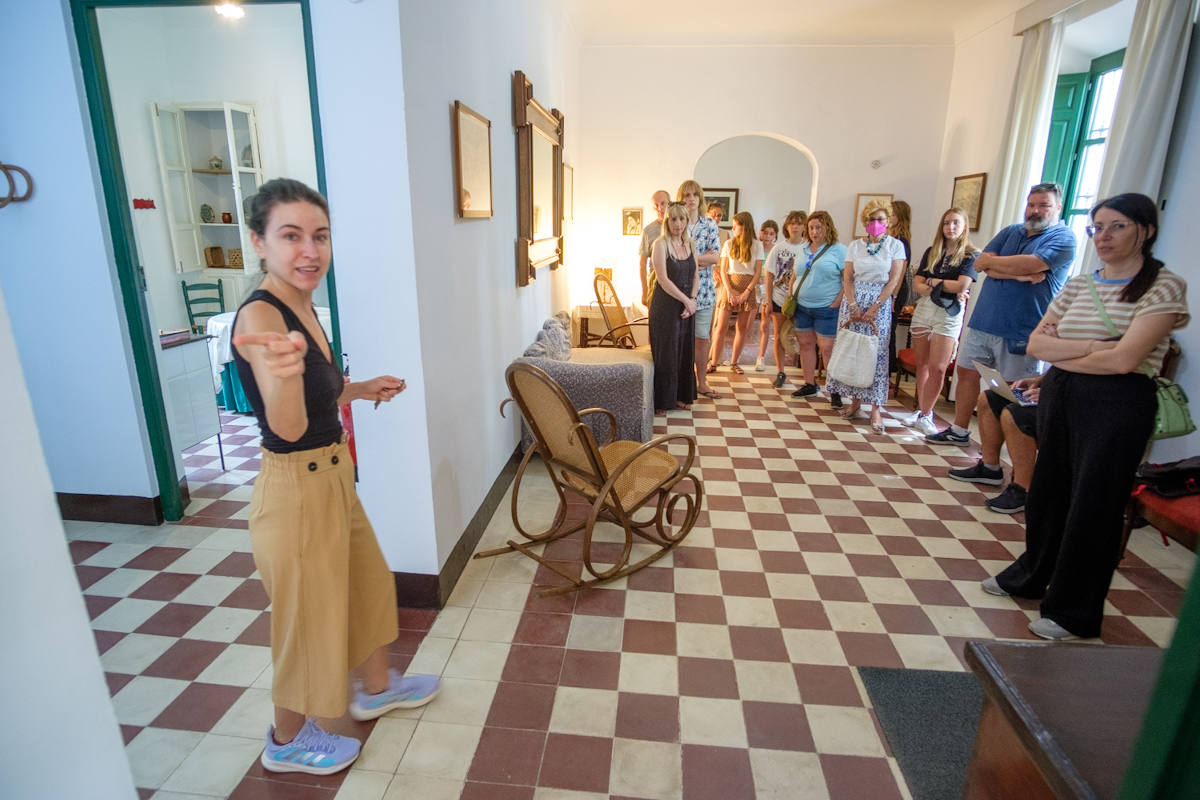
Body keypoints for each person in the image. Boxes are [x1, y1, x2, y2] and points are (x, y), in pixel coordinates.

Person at [231, 179, 441, 775]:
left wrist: (358, 387)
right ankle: (285, 741)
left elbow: (320, 393)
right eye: (290, 236)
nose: (309, 250)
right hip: (295, 489)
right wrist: (286, 371)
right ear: (259, 243)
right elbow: (290, 426)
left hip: (331, 480)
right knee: (306, 623)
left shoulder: (302, 301)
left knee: (370, 583)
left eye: (319, 236)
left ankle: (373, 690)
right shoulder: (263, 318)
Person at [984, 193, 1188, 641]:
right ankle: (1032, 575)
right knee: (1048, 493)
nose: (1104, 237)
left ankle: (1074, 612)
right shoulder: (1079, 285)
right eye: (1097, 228)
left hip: (1117, 404)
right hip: (1062, 394)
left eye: (1117, 226)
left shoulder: (1164, 287)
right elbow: (1038, 345)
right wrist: (1097, 347)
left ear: (1146, 231)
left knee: (1093, 505)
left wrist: (1080, 352)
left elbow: (1126, 361)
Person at [927, 183, 1076, 445]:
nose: (1036, 210)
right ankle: (960, 430)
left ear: (1058, 208)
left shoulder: (1063, 238)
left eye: (1044, 205)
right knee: (967, 373)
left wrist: (1003, 265)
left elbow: (1035, 263)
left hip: (1022, 327)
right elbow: (980, 262)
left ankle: (1005, 446)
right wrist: (1020, 273)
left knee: (1012, 389)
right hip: (985, 320)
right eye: (1032, 204)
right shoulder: (1011, 232)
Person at [825, 199, 906, 433]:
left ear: (888, 221)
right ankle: (854, 402)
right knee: (852, 350)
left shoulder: (895, 246)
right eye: (871, 219)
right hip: (854, 301)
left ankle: (876, 408)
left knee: (875, 353)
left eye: (880, 219)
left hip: (879, 302)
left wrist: (876, 306)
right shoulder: (855, 246)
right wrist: (851, 304)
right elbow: (847, 277)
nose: (876, 223)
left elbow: (894, 280)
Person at [900, 207, 979, 435]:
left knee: (938, 366)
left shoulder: (970, 255)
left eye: (955, 223)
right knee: (922, 364)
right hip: (925, 310)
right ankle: (921, 410)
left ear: (964, 226)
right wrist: (945, 285)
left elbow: (963, 285)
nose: (950, 227)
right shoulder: (932, 251)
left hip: (949, 313)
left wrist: (933, 282)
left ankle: (927, 413)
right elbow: (917, 285)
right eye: (946, 223)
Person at [948, 378, 1041, 514]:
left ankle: (1022, 489)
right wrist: (1037, 380)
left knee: (1015, 414)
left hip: (1070, 403)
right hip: (1048, 393)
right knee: (989, 397)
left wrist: (1048, 392)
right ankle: (989, 468)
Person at [788, 210, 847, 404]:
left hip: (826, 308)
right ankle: (809, 383)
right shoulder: (803, 249)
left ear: (827, 228)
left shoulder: (838, 250)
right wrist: (791, 293)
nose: (814, 232)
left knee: (827, 348)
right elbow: (795, 274)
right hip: (802, 307)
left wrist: (837, 302)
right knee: (805, 345)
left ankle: (834, 389)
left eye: (818, 228)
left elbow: (847, 280)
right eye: (811, 228)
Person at [648, 201, 699, 412]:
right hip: (666, 308)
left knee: (685, 351)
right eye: (673, 219)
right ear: (667, 221)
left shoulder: (690, 244)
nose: (678, 224)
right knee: (666, 353)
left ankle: (680, 395)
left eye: (682, 219)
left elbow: (695, 274)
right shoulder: (660, 244)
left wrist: (693, 300)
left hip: (688, 308)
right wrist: (686, 300)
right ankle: (662, 400)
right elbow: (663, 280)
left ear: (687, 221)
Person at [678, 180, 722, 398]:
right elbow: (671, 257)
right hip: (678, 291)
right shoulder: (676, 224)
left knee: (701, 338)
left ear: (700, 198)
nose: (691, 199)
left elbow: (715, 257)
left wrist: (690, 259)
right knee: (680, 339)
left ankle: (702, 381)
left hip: (704, 291)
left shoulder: (709, 225)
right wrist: (699, 260)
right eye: (687, 195)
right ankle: (681, 383)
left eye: (695, 194)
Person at [710, 211, 764, 373]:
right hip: (729, 286)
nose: (733, 229)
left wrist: (746, 292)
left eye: (735, 226)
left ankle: (734, 363)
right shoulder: (728, 244)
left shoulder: (757, 245)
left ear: (744, 226)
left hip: (748, 287)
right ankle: (713, 363)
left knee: (742, 328)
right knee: (721, 326)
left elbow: (757, 272)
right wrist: (730, 291)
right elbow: (724, 270)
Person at [764, 210, 808, 389]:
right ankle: (781, 371)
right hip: (779, 297)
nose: (795, 226)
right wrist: (768, 300)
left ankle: (808, 378)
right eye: (792, 223)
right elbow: (769, 274)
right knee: (779, 335)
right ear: (787, 227)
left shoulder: (808, 248)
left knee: (804, 338)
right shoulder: (779, 248)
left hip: (802, 299)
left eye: (799, 223)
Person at [887, 200, 914, 372]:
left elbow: (900, 273)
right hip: (887, 288)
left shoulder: (902, 242)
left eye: (892, 214)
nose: (889, 217)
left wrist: (893, 297)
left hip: (895, 290)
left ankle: (888, 369)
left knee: (889, 330)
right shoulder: (890, 238)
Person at [639, 190, 671, 305]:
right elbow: (642, 264)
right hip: (655, 285)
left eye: (663, 203)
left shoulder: (679, 227)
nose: (659, 208)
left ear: (669, 203)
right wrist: (644, 291)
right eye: (656, 205)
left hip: (676, 285)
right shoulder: (648, 231)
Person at [754, 219, 778, 371]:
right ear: (761, 233)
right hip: (753, 286)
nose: (768, 236)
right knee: (747, 322)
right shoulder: (756, 247)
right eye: (765, 232)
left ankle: (761, 356)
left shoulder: (775, 250)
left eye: (771, 233)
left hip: (766, 288)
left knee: (765, 322)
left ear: (775, 235)